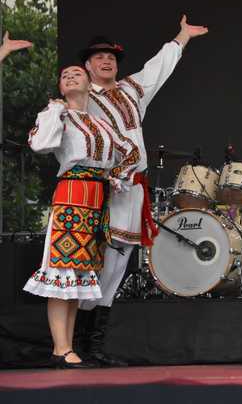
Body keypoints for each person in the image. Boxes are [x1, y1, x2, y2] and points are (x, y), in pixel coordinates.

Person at [75, 15, 208, 366]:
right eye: (99, 58)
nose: (107, 61)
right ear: (86, 66)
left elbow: (158, 68)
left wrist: (181, 38)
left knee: (115, 268)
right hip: (101, 190)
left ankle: (94, 346)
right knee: (92, 264)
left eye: (112, 58)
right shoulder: (81, 98)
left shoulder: (132, 90)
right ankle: (76, 344)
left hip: (132, 190)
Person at [23, 64, 139, 368]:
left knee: (77, 276)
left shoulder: (102, 124)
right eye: (65, 76)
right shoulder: (59, 115)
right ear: (61, 88)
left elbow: (131, 152)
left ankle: (67, 347)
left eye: (77, 74)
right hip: (71, 197)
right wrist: (54, 111)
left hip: (96, 200)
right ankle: (61, 349)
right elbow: (39, 143)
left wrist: (116, 175)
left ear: (89, 84)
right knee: (62, 270)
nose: (71, 77)